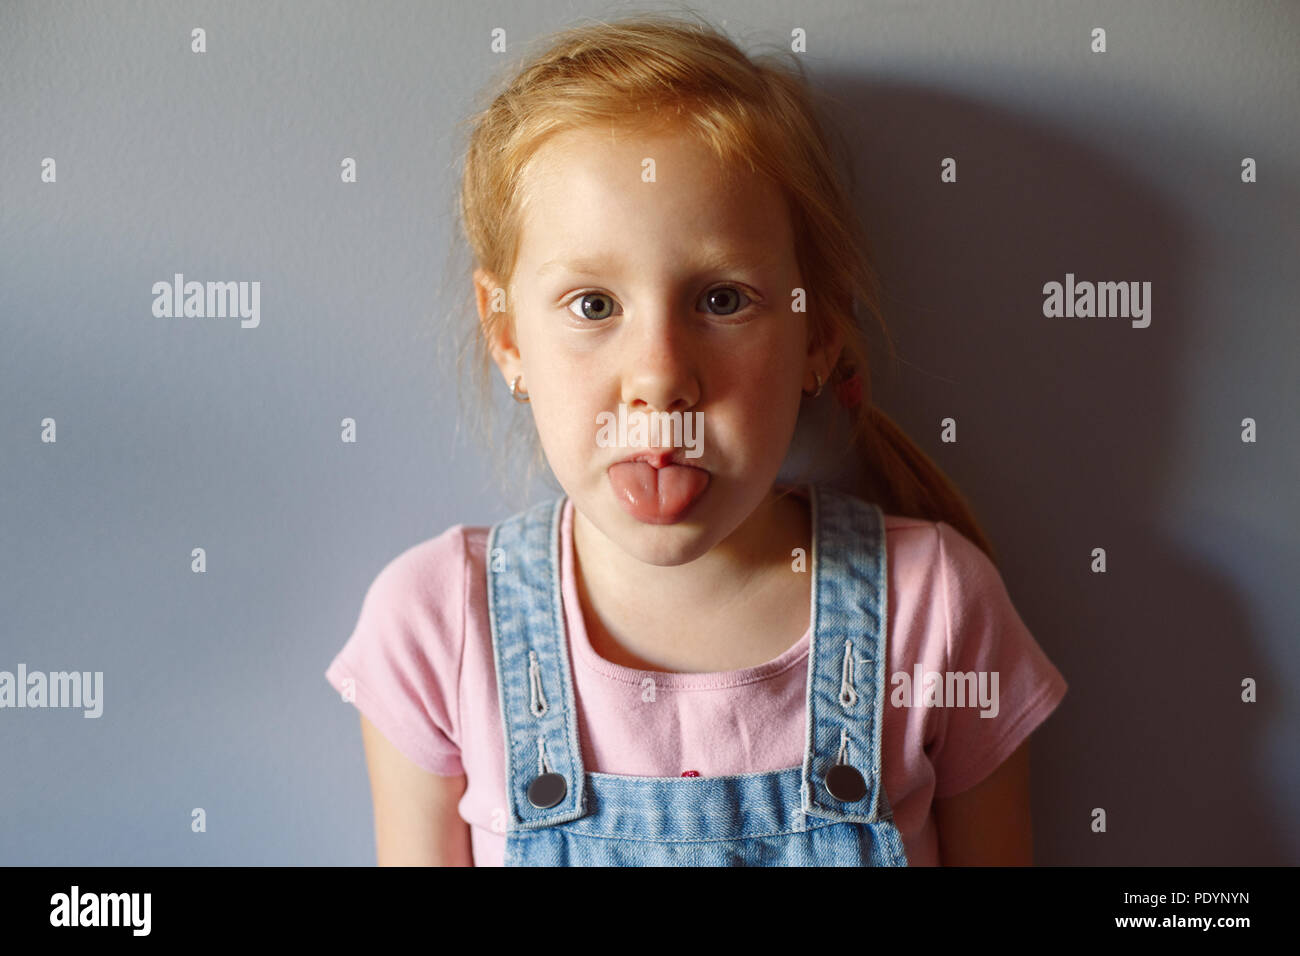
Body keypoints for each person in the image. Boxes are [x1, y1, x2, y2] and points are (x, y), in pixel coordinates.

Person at [325, 12, 1067, 866]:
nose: (661, 376)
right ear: (509, 338)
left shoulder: (936, 610)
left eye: (721, 301)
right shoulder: (439, 628)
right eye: (594, 306)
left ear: (817, 334)